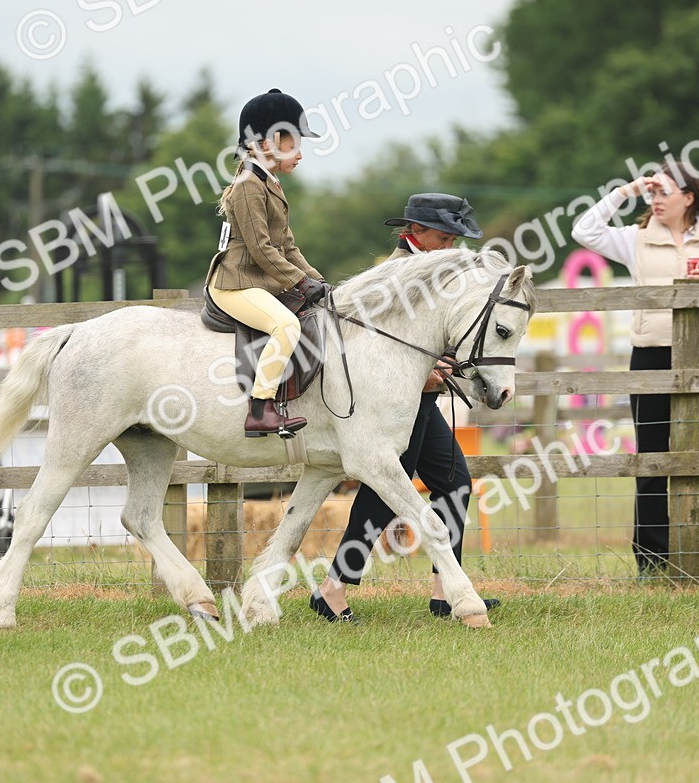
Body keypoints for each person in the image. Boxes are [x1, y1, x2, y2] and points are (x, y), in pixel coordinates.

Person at [311, 193, 500, 621]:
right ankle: (333, 588)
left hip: (423, 399)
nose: (451, 247)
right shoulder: (391, 275)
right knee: (383, 492)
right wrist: (422, 372)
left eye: (455, 239)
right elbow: (369, 342)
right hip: (388, 402)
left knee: (454, 482)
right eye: (444, 237)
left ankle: (443, 593)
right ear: (414, 232)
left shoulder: (440, 273)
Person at [572, 164, 699, 576]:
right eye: (650, 194)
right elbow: (584, 231)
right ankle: (652, 563)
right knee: (652, 460)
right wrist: (624, 192)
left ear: (688, 197)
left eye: (662, 193)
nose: (654, 201)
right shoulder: (635, 239)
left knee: (698, 459)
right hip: (651, 355)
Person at [206, 88, 327, 439]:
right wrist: (299, 282)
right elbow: (260, 248)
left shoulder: (268, 182)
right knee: (286, 326)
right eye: (296, 143)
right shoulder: (247, 185)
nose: (301, 154)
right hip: (236, 282)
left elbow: (287, 246)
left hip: (258, 280)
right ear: (273, 140)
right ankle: (261, 409)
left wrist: (319, 281)